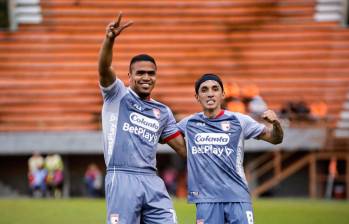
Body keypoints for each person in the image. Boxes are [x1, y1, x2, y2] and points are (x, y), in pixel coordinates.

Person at [98, 12, 186, 224]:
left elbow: (183, 149)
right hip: (122, 176)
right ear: (129, 76)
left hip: (151, 179)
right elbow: (104, 69)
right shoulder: (117, 94)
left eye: (151, 73)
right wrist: (109, 40)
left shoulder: (162, 111)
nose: (146, 77)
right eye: (140, 73)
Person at [177, 74, 283, 224]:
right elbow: (165, 137)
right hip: (206, 200)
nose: (210, 93)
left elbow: (275, 139)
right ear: (197, 96)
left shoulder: (240, 121)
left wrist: (276, 124)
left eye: (215, 89)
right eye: (204, 90)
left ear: (223, 94)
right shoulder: (188, 123)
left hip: (237, 197)